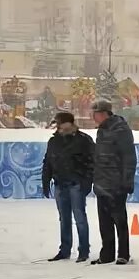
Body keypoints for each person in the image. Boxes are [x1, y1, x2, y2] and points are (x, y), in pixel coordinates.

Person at [42, 112, 95, 262]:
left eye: (61, 123)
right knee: (64, 219)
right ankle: (64, 250)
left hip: (76, 185)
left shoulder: (83, 140)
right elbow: (47, 162)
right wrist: (46, 182)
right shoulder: (54, 141)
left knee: (80, 218)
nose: (59, 127)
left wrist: (86, 183)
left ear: (70, 123)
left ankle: (83, 250)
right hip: (60, 184)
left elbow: (92, 162)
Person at [90, 99, 136, 265]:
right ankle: (107, 253)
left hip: (116, 184)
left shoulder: (120, 129)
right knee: (104, 222)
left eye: (95, 114)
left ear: (103, 114)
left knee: (119, 220)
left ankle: (123, 253)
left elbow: (129, 157)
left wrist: (127, 181)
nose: (93, 117)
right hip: (102, 182)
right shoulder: (102, 130)